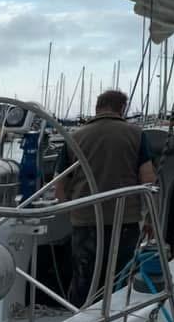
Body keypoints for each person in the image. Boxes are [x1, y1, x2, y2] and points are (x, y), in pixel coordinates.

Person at [55, 89, 156, 306]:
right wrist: (149, 218)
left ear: (97, 107)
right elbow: (148, 178)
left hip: (85, 220)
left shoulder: (75, 137)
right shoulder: (136, 134)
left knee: (85, 279)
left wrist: (70, 211)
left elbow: (60, 183)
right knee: (121, 278)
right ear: (122, 108)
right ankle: (116, 320)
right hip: (125, 220)